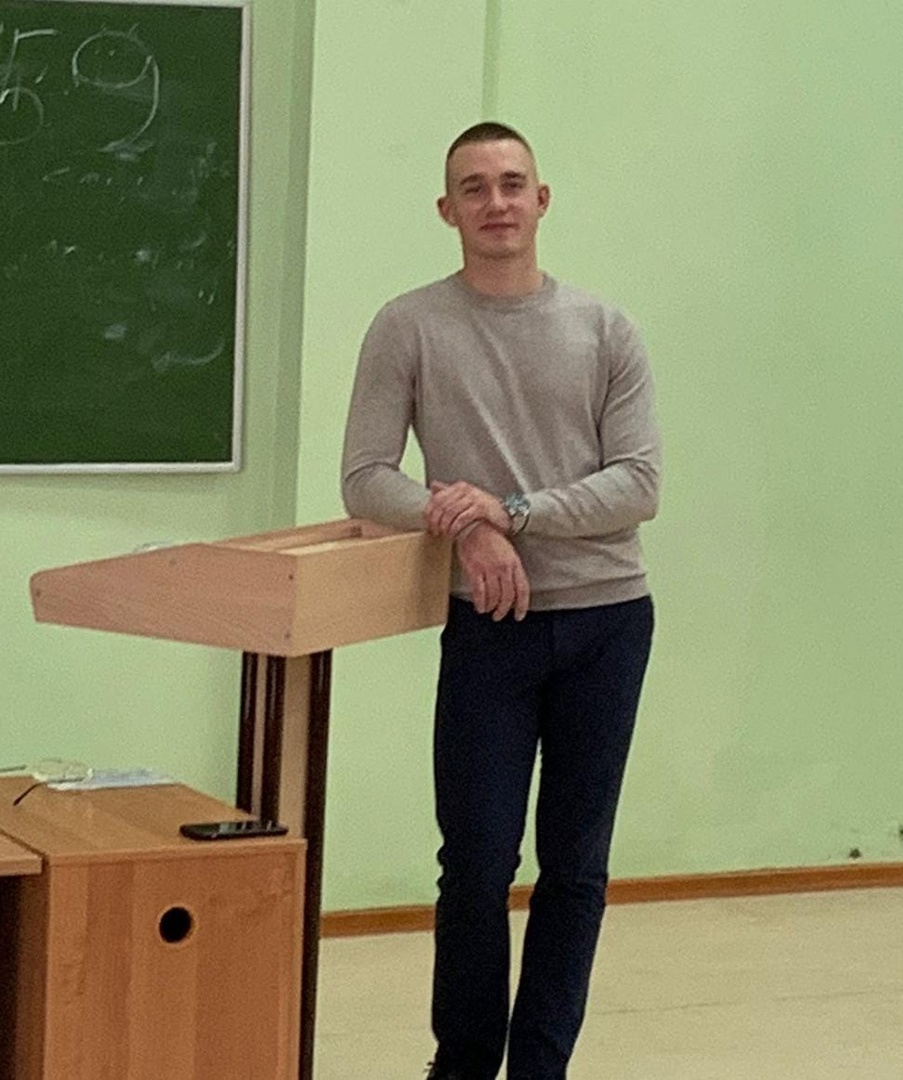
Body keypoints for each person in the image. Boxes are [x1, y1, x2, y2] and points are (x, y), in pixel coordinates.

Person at [341, 121, 661, 1080]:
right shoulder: (408, 325)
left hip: (607, 621)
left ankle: (541, 1068)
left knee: (576, 866)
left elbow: (638, 484)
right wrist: (466, 527)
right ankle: (463, 1064)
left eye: (512, 183)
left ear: (541, 199)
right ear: (446, 211)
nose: (496, 202)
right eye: (474, 188)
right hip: (488, 625)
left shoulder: (604, 329)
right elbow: (365, 477)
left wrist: (510, 511)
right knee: (476, 864)